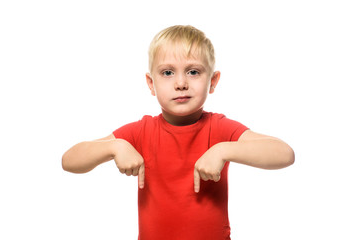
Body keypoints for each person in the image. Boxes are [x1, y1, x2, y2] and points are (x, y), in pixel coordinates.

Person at [62, 25, 295, 240]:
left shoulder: (220, 128)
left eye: (193, 72)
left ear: (213, 82)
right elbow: (69, 160)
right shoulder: (141, 131)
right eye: (167, 73)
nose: (181, 83)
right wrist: (113, 147)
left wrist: (224, 150)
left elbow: (284, 154)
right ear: (151, 83)